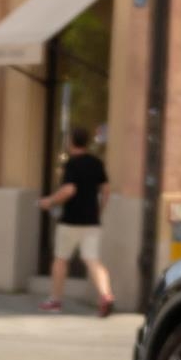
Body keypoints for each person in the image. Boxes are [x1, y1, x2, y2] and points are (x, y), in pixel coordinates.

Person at [39, 121, 113, 318]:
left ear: (71, 141)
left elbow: (69, 189)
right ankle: (106, 295)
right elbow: (106, 190)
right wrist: (100, 210)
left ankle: (55, 300)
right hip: (92, 221)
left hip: (71, 220)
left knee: (61, 260)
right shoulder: (96, 163)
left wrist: (50, 201)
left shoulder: (71, 163)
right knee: (93, 260)